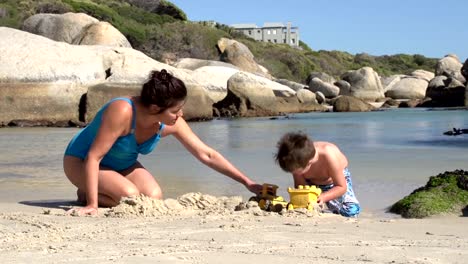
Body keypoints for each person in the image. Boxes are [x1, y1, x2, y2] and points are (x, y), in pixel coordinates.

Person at [63, 69, 262, 215]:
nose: (180, 114)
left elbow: (207, 154)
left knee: (153, 197)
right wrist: (92, 205)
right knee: (130, 195)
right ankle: (88, 194)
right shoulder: (123, 111)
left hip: (122, 166)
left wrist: (248, 183)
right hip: (81, 162)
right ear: (155, 108)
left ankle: (94, 191)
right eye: (175, 111)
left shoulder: (172, 122)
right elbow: (93, 156)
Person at [274, 132, 360, 217]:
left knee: (351, 211)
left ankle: (329, 209)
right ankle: (323, 209)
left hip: (334, 184)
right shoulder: (297, 158)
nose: (294, 174)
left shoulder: (329, 155)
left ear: (309, 163)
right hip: (311, 183)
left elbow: (341, 187)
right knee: (304, 205)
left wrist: (323, 197)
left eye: (296, 172)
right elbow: (300, 186)